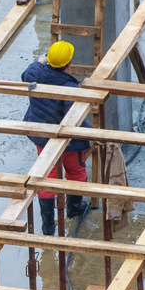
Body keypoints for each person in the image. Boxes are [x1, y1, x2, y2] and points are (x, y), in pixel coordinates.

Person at [22, 40, 92, 236]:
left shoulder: (36, 72)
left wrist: (41, 60)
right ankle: (73, 208)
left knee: (46, 176)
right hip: (67, 141)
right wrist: (92, 134)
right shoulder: (69, 87)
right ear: (69, 64)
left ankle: (47, 226)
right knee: (76, 172)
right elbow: (74, 118)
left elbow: (29, 71)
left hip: (42, 134)